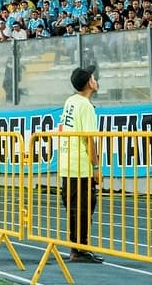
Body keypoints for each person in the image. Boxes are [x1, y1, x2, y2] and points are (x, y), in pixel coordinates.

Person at [58, 65, 103, 264]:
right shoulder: (86, 106)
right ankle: (80, 249)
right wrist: (96, 167)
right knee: (84, 208)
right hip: (80, 166)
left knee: (73, 209)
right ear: (89, 84)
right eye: (93, 78)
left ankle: (75, 248)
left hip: (67, 163)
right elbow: (89, 139)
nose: (95, 80)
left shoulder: (70, 101)